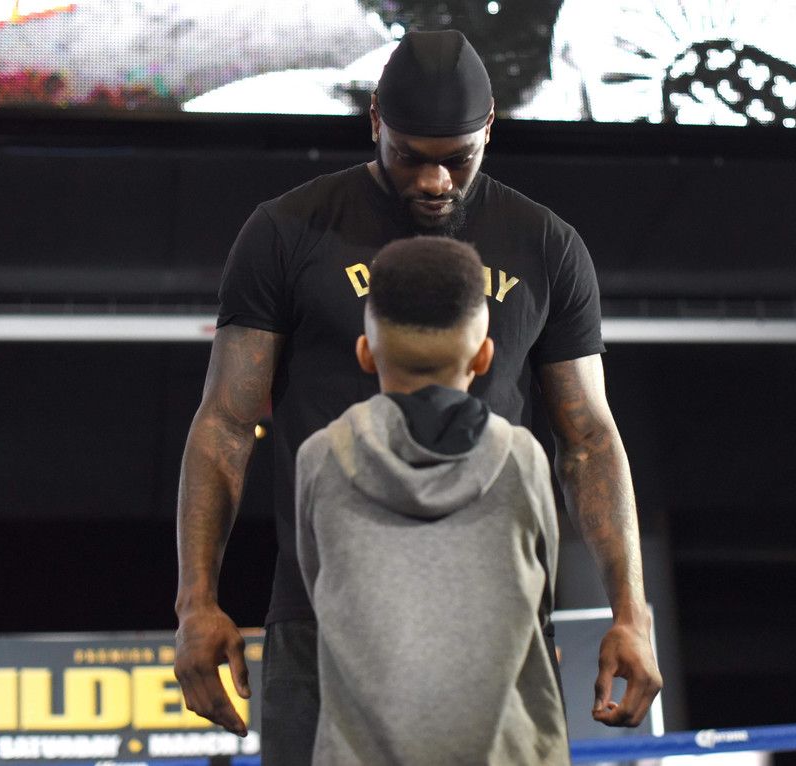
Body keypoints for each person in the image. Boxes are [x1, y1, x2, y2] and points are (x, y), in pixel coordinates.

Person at [173, 27, 662, 764]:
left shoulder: (546, 246)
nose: (434, 181)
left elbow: (590, 438)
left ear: (489, 128)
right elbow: (226, 424)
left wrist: (631, 612)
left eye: (456, 159)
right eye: (410, 156)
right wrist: (195, 603)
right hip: (323, 613)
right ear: (375, 121)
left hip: (496, 615)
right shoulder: (287, 232)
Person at [295, 236, 569, 765]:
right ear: (485, 356)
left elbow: (318, 590)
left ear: (365, 351)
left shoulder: (321, 459)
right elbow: (543, 598)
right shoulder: (523, 460)